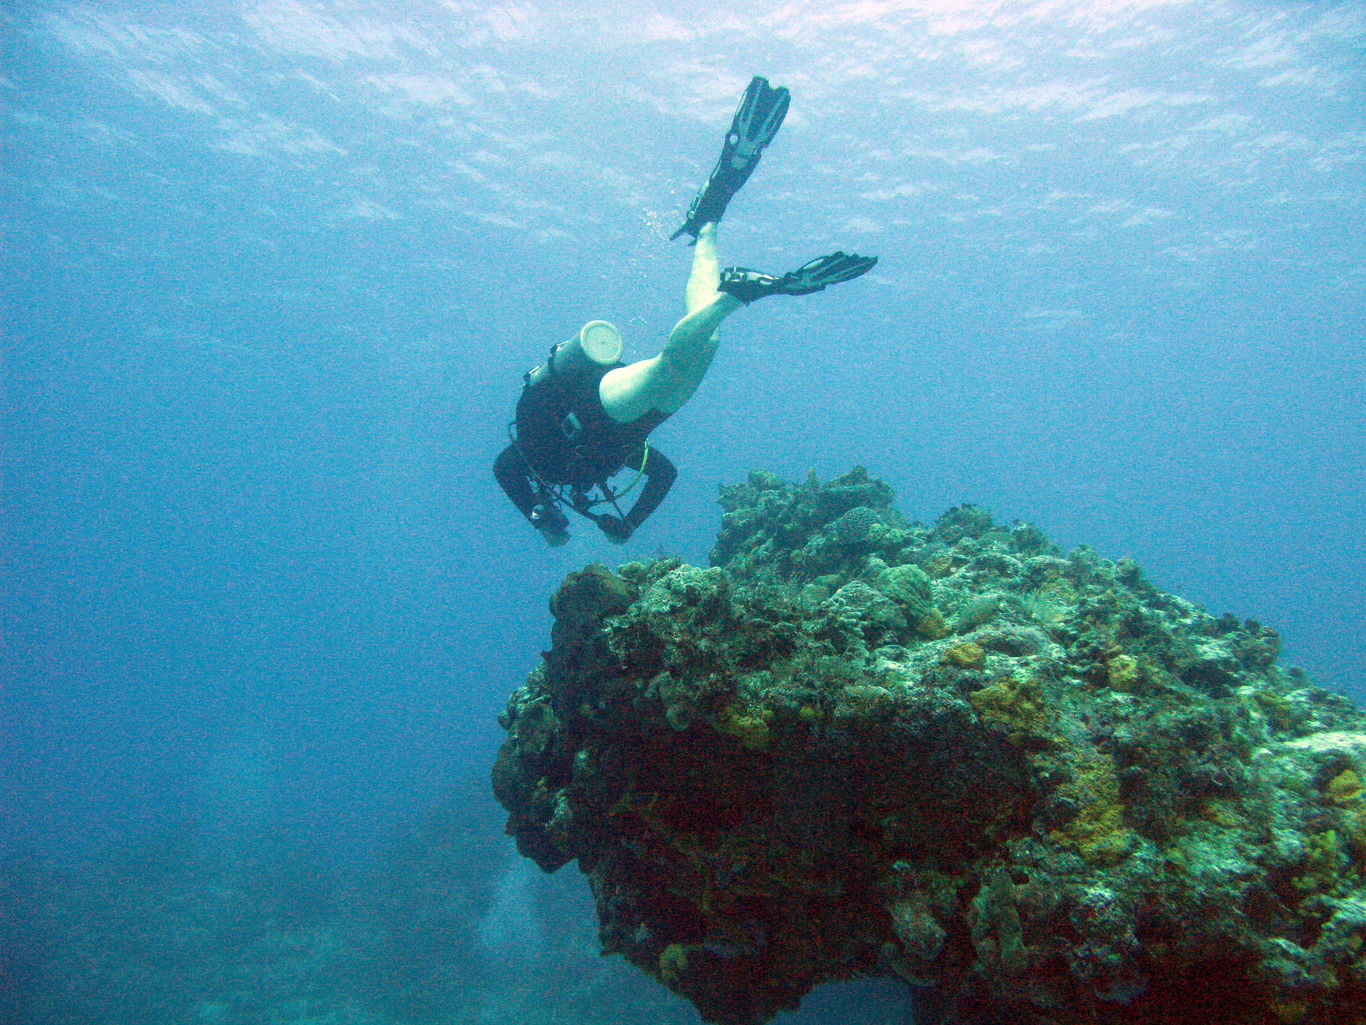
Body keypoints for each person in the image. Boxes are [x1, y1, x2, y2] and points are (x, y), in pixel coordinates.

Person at [493, 76, 878, 546]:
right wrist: (629, 524)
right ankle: (708, 222)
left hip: (593, 408)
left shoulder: (523, 458)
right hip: (631, 423)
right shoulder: (596, 466)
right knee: (707, 341)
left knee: (669, 364)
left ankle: (737, 295)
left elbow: (504, 471)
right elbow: (665, 474)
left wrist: (543, 524)